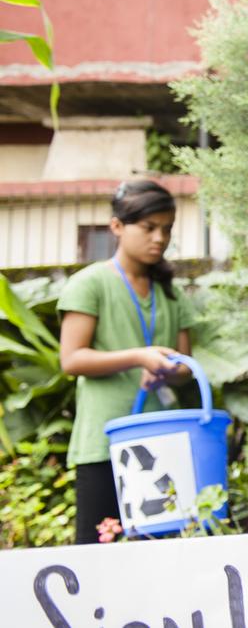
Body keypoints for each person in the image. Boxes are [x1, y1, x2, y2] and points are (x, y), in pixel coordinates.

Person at [59, 180, 196, 544]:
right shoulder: (89, 283)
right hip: (104, 442)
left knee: (164, 552)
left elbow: (186, 367)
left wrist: (170, 369)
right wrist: (138, 356)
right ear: (117, 227)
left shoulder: (170, 291)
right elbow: (71, 358)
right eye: (149, 228)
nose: (160, 238)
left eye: (167, 229)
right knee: (99, 551)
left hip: (164, 443)